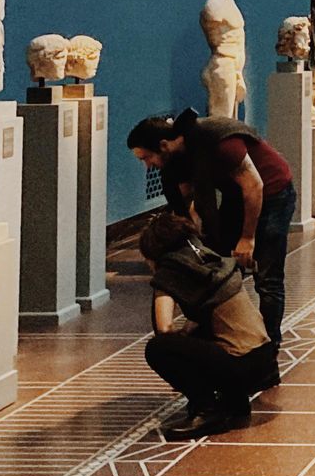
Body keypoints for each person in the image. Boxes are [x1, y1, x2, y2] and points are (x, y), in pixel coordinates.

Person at [127, 108, 296, 357]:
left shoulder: (219, 141)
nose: (147, 165)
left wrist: (247, 238)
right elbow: (186, 205)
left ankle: (268, 348)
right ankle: (220, 338)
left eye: (146, 158)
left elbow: (254, 186)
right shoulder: (177, 160)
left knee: (267, 277)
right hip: (235, 195)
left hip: (272, 192)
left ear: (163, 145)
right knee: (218, 269)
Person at [140, 211, 276, 440]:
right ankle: (235, 403)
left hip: (239, 365)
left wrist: (160, 285)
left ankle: (207, 410)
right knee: (203, 334)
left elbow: (163, 328)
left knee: (158, 348)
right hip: (264, 361)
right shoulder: (209, 259)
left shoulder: (171, 269)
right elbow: (210, 312)